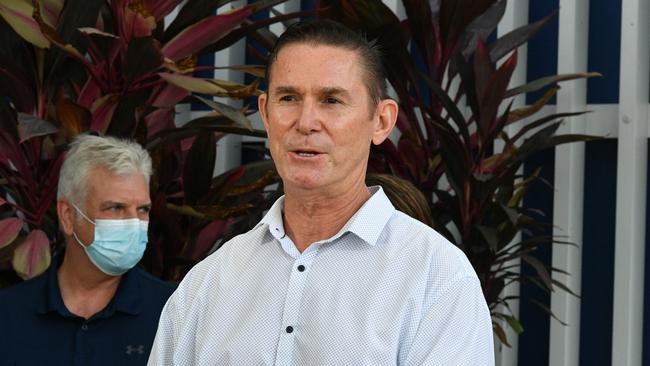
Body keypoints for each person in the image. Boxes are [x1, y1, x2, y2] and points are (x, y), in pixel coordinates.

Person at [148, 20, 494, 365]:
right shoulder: (210, 282)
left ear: (382, 121)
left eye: (331, 100)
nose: (306, 121)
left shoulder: (437, 278)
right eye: (289, 98)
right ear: (266, 114)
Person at [0, 135, 175, 366]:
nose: (134, 223)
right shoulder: (8, 315)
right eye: (115, 207)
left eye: (143, 209)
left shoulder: (172, 311)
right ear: (68, 216)